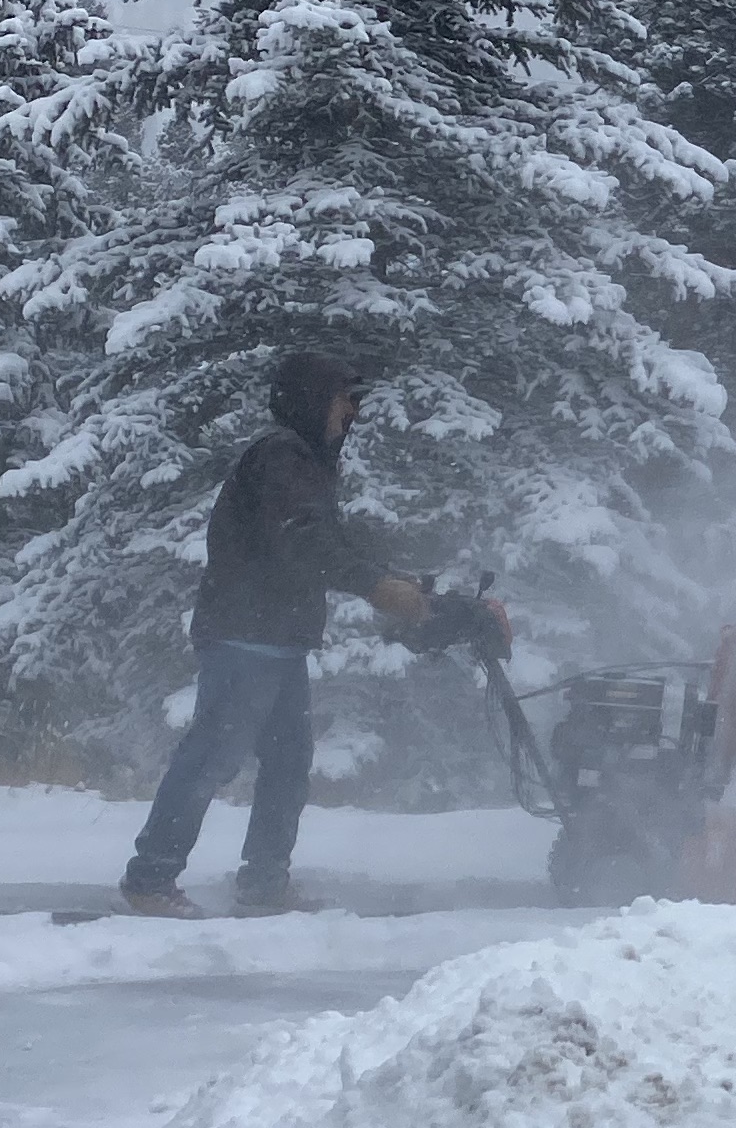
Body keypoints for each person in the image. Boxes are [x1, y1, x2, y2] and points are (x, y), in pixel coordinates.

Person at [120, 350, 503, 916]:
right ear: (311, 399)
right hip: (243, 635)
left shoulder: (305, 464)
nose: (354, 413)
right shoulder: (282, 458)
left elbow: (331, 543)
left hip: (277, 638)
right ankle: (150, 879)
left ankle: (264, 883)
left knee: (287, 761)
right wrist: (376, 587)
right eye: (346, 400)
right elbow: (304, 545)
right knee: (212, 756)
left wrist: (391, 581)